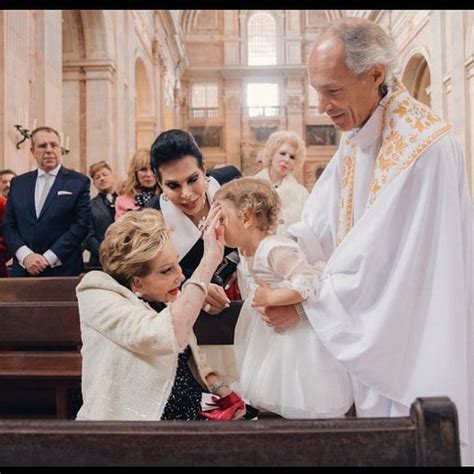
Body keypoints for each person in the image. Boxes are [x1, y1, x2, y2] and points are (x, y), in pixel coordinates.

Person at [260, 17, 473, 464]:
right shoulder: (357, 138)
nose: (321, 106)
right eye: (317, 90)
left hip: (413, 339)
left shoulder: (424, 149)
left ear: (375, 74)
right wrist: (276, 249)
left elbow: (388, 269)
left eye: (332, 91)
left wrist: (303, 303)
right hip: (371, 336)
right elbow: (322, 227)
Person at [75, 208, 246, 421]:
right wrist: (206, 266)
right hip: (139, 427)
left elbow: (191, 358)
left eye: (177, 263)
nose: (180, 275)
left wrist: (221, 389)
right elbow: (161, 336)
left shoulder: (163, 295)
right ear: (137, 281)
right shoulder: (97, 294)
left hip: (193, 411)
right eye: (167, 270)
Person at [213, 177, 353, 418]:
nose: (216, 225)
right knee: (271, 388)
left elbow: (309, 283)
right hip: (269, 333)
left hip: (297, 336)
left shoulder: (274, 249)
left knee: (298, 392)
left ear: (246, 218)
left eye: (222, 218)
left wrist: (272, 297)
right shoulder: (245, 251)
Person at [146, 129, 242, 383]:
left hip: (246, 306)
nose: (186, 194)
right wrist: (192, 288)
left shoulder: (232, 182)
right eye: (173, 185)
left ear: (205, 169)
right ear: (159, 183)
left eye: (193, 179)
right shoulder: (153, 217)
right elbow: (147, 283)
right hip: (195, 331)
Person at [3, 126, 91, 277]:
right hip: (23, 270)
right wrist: (25, 256)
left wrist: (48, 257)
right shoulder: (18, 183)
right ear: (32, 152)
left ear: (60, 149)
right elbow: (8, 225)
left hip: (63, 269)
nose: (49, 150)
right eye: (42, 146)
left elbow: (82, 225)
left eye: (54, 145)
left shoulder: (78, 182)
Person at [254, 131, 309, 236]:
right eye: (282, 153)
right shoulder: (251, 187)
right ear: (272, 154)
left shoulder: (302, 194)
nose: (286, 159)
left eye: (292, 157)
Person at [83, 160, 118, 268]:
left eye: (105, 175)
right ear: (94, 183)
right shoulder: (89, 206)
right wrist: (105, 254)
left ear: (113, 176)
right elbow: (87, 236)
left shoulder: (127, 200)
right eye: (97, 177)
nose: (102, 179)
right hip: (99, 262)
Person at [114, 148, 159, 221]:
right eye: (143, 169)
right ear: (135, 172)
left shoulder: (167, 197)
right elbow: (121, 230)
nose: (149, 174)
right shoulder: (122, 201)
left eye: (153, 169)